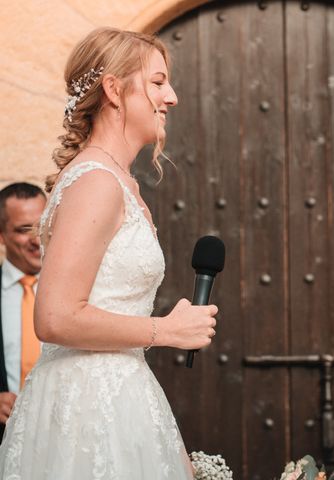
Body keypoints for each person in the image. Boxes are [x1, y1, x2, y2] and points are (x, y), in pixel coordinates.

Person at [0, 27, 217, 479]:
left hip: (121, 394)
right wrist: (166, 330)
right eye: (157, 82)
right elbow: (55, 318)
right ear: (114, 89)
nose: (171, 96)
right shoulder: (97, 182)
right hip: (87, 408)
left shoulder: (117, 182)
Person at [0, 183, 46, 438]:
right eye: (23, 230)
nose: (36, 239)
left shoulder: (80, 293)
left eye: (41, 226)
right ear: (1, 235)